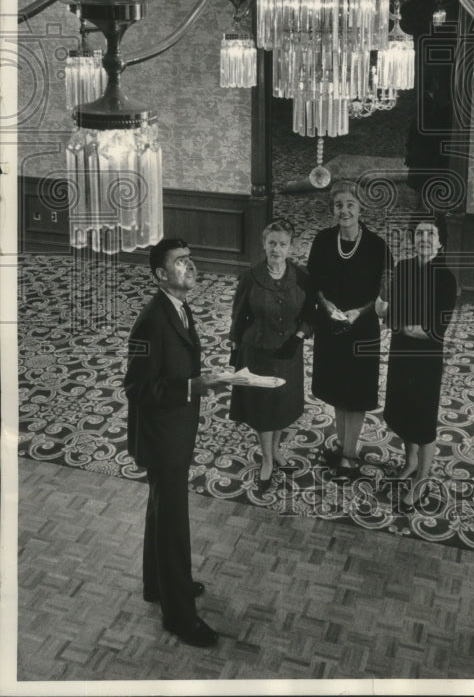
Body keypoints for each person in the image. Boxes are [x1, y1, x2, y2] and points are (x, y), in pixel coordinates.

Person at [125, 238, 220, 648]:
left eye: (190, 259)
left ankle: (157, 586)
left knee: (161, 513)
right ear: (161, 275)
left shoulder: (178, 307)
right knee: (173, 524)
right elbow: (135, 387)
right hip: (163, 437)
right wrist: (191, 387)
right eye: (181, 262)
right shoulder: (150, 320)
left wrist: (196, 383)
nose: (191, 266)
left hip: (173, 431)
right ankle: (180, 617)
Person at [307, 179, 392, 478]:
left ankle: (349, 455)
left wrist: (361, 311)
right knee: (336, 389)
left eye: (350, 205)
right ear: (333, 209)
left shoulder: (376, 245)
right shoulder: (322, 240)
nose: (345, 211)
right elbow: (313, 282)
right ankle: (343, 449)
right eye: (339, 205)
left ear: (361, 208)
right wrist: (326, 304)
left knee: (356, 392)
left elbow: (385, 289)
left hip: (363, 329)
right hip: (330, 327)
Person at [229, 219, 314, 490]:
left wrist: (300, 336)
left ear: (291, 247)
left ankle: (277, 450)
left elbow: (310, 314)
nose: (276, 249)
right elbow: (238, 315)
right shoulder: (250, 277)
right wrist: (235, 348)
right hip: (258, 353)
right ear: (263, 245)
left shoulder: (301, 276)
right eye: (272, 243)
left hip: (289, 353)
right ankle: (267, 459)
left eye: (282, 244)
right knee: (263, 409)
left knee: (282, 405)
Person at [379, 220, 458, 509]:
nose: (424, 238)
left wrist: (402, 323)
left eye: (431, 234)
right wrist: (400, 321)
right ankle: (410, 462)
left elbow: (436, 329)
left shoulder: (446, 278)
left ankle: (422, 479)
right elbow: (388, 314)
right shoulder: (404, 268)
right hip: (402, 353)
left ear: (440, 243)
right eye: (419, 233)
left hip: (426, 359)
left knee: (423, 421)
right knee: (403, 410)